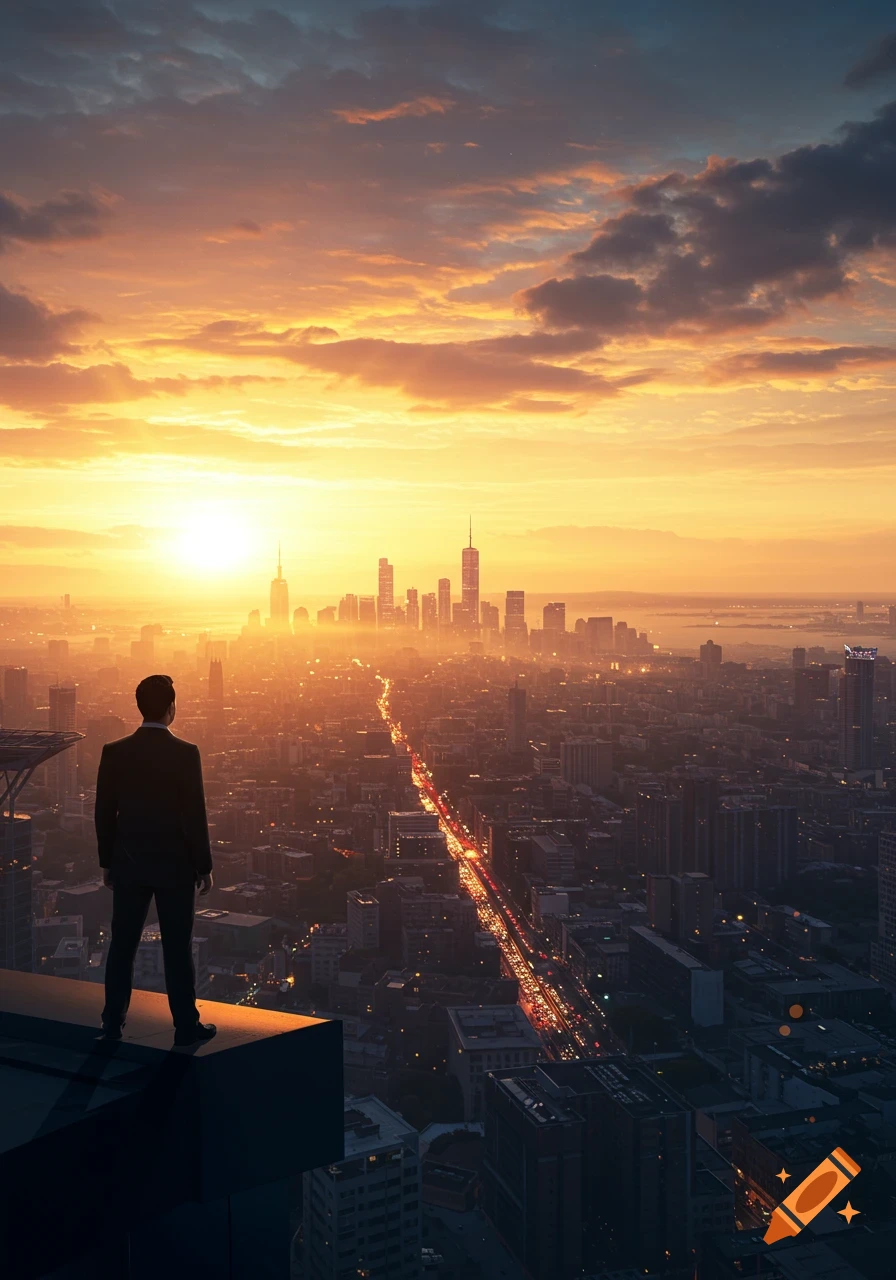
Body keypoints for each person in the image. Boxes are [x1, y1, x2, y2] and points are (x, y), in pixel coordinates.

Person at [95, 673, 216, 1046]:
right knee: (177, 948)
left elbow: (103, 812)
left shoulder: (114, 752)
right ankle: (185, 1027)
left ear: (139, 707)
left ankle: (112, 1025)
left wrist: (107, 862)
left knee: (123, 946)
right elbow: (194, 813)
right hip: (175, 866)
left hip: (128, 863)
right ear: (171, 708)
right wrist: (204, 866)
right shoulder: (185, 753)